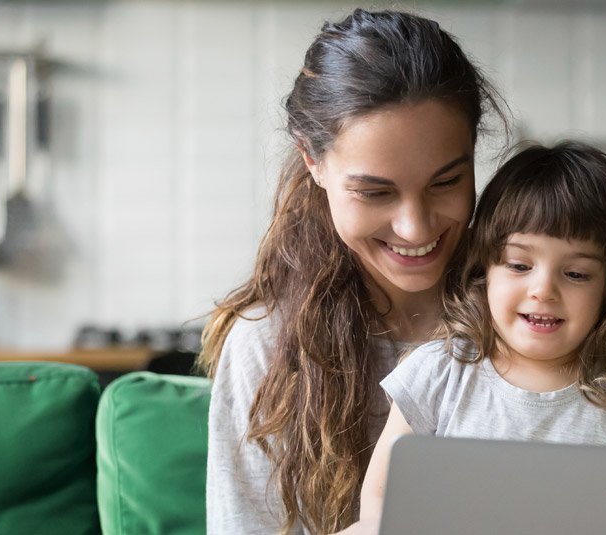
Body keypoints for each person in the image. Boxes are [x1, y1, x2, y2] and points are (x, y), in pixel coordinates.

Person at [199, 9, 503, 535]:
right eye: (375, 192)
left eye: (446, 182)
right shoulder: (265, 344)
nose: (415, 227)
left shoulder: (534, 315)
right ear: (311, 159)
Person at [357, 141, 606, 522]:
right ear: (485, 270)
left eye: (576, 274)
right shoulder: (439, 373)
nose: (544, 290)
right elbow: (381, 501)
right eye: (519, 265)